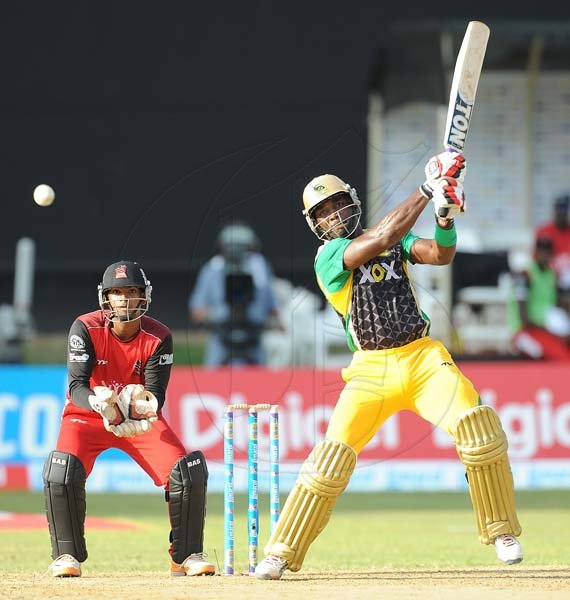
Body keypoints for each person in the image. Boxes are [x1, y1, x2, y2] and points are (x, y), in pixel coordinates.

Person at [255, 153, 523, 580]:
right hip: (370, 372)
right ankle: (282, 552)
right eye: (322, 214)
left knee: (478, 428)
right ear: (315, 225)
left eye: (337, 204)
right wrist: (426, 189)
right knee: (329, 461)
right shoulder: (329, 258)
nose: (332, 217)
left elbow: (439, 254)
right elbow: (377, 241)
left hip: (423, 359)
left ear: (353, 202)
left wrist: (445, 217)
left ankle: (502, 531)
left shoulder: (394, 239)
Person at [43, 260, 215, 577]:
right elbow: (76, 385)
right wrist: (99, 402)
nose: (124, 299)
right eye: (117, 293)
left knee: (188, 471)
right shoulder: (85, 327)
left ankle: (186, 556)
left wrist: (144, 404)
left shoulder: (159, 335)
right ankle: (66, 557)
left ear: (143, 297)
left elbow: (156, 394)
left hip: (138, 422)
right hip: (89, 415)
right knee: (61, 471)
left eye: (131, 292)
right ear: (106, 298)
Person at [189, 222, 280, 366]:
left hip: (254, 336)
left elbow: (274, 309)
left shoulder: (260, 268)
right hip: (221, 337)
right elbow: (197, 311)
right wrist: (212, 317)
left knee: (262, 381)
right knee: (211, 381)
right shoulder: (212, 269)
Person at [509, 237, 570, 359]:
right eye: (542, 251)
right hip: (525, 331)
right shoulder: (525, 275)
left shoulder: (552, 275)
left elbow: (556, 306)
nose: (545, 255)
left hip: (544, 329)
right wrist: (553, 333)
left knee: (563, 356)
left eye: (548, 252)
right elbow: (524, 319)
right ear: (535, 252)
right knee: (542, 354)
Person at [535, 194, 570, 292]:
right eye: (559, 213)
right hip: (547, 276)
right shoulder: (544, 230)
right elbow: (536, 259)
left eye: (563, 213)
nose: (561, 216)